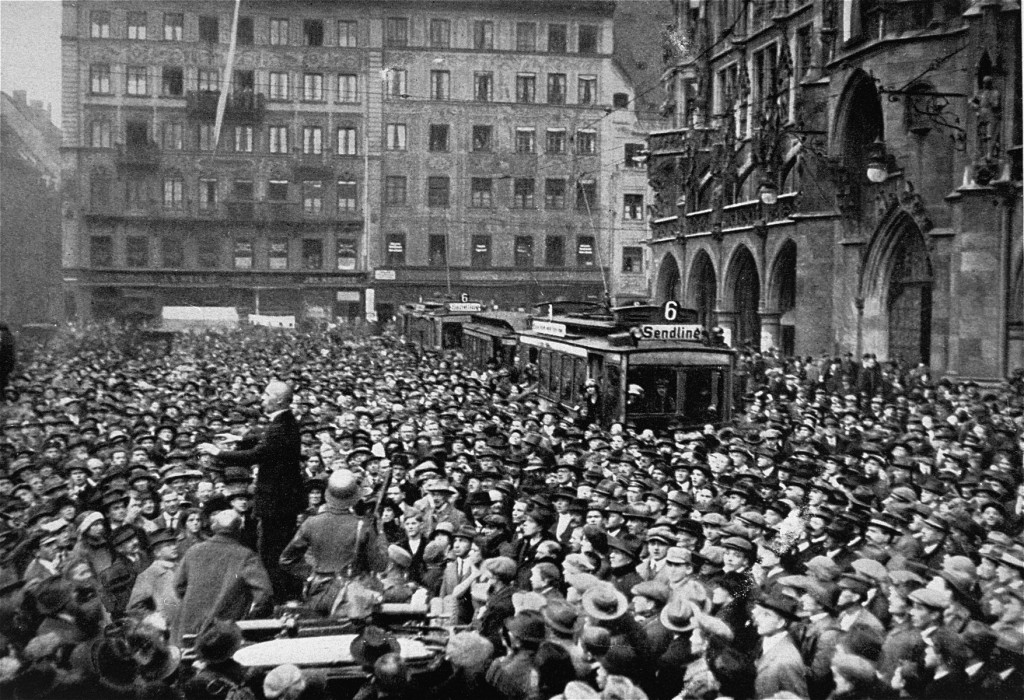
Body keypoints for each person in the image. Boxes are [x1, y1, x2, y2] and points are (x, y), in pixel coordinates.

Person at [199, 379, 305, 602]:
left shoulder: (279, 427)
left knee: (272, 553)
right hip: (284, 501)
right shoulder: (285, 421)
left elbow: (256, 455)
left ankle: (280, 598)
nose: (262, 399)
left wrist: (217, 453)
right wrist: (239, 438)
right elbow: (265, 441)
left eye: (266, 395)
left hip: (276, 503)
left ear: (276, 401)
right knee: (279, 548)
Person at [279, 468, 388, 615]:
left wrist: (312, 574)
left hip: (318, 593)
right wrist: (380, 532)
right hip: (352, 597)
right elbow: (380, 565)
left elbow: (286, 560)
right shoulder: (362, 526)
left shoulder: (311, 523)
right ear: (355, 496)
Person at [173, 509, 273, 642]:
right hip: (225, 632)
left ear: (214, 527)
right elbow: (264, 594)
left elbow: (179, 586)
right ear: (240, 529)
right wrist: (248, 619)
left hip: (190, 629)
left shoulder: (193, 551)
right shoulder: (246, 556)